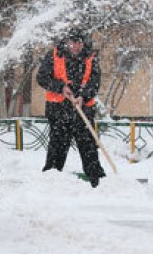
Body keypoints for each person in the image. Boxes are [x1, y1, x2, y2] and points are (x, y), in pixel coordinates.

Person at [36, 28, 106, 188]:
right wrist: (61, 87)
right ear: (67, 42)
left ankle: (98, 182)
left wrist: (83, 96)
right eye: (73, 42)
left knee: (88, 148)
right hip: (59, 111)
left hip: (83, 112)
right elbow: (41, 78)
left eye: (79, 43)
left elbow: (95, 82)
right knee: (57, 147)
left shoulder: (90, 58)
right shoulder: (54, 55)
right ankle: (50, 181)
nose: (76, 46)